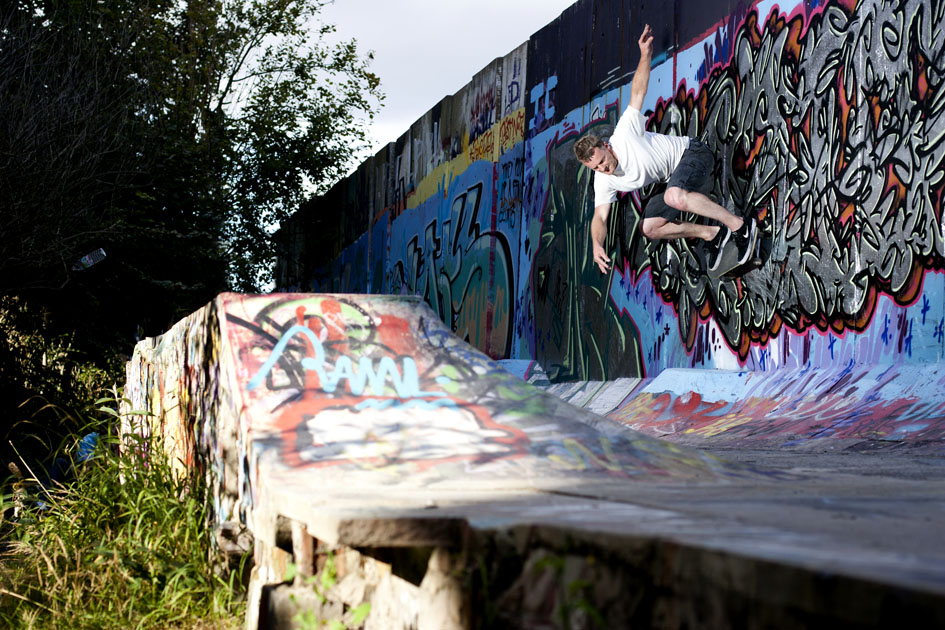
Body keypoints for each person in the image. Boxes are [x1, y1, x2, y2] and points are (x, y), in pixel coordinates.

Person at [574, 24, 756, 275]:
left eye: (603, 161)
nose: (604, 168)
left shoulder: (624, 134)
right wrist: (596, 243)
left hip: (693, 155)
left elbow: (637, 92)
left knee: (672, 196)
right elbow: (600, 218)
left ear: (606, 146)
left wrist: (645, 56)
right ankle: (713, 234)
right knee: (649, 227)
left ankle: (740, 226)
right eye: (597, 168)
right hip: (678, 182)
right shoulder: (603, 179)